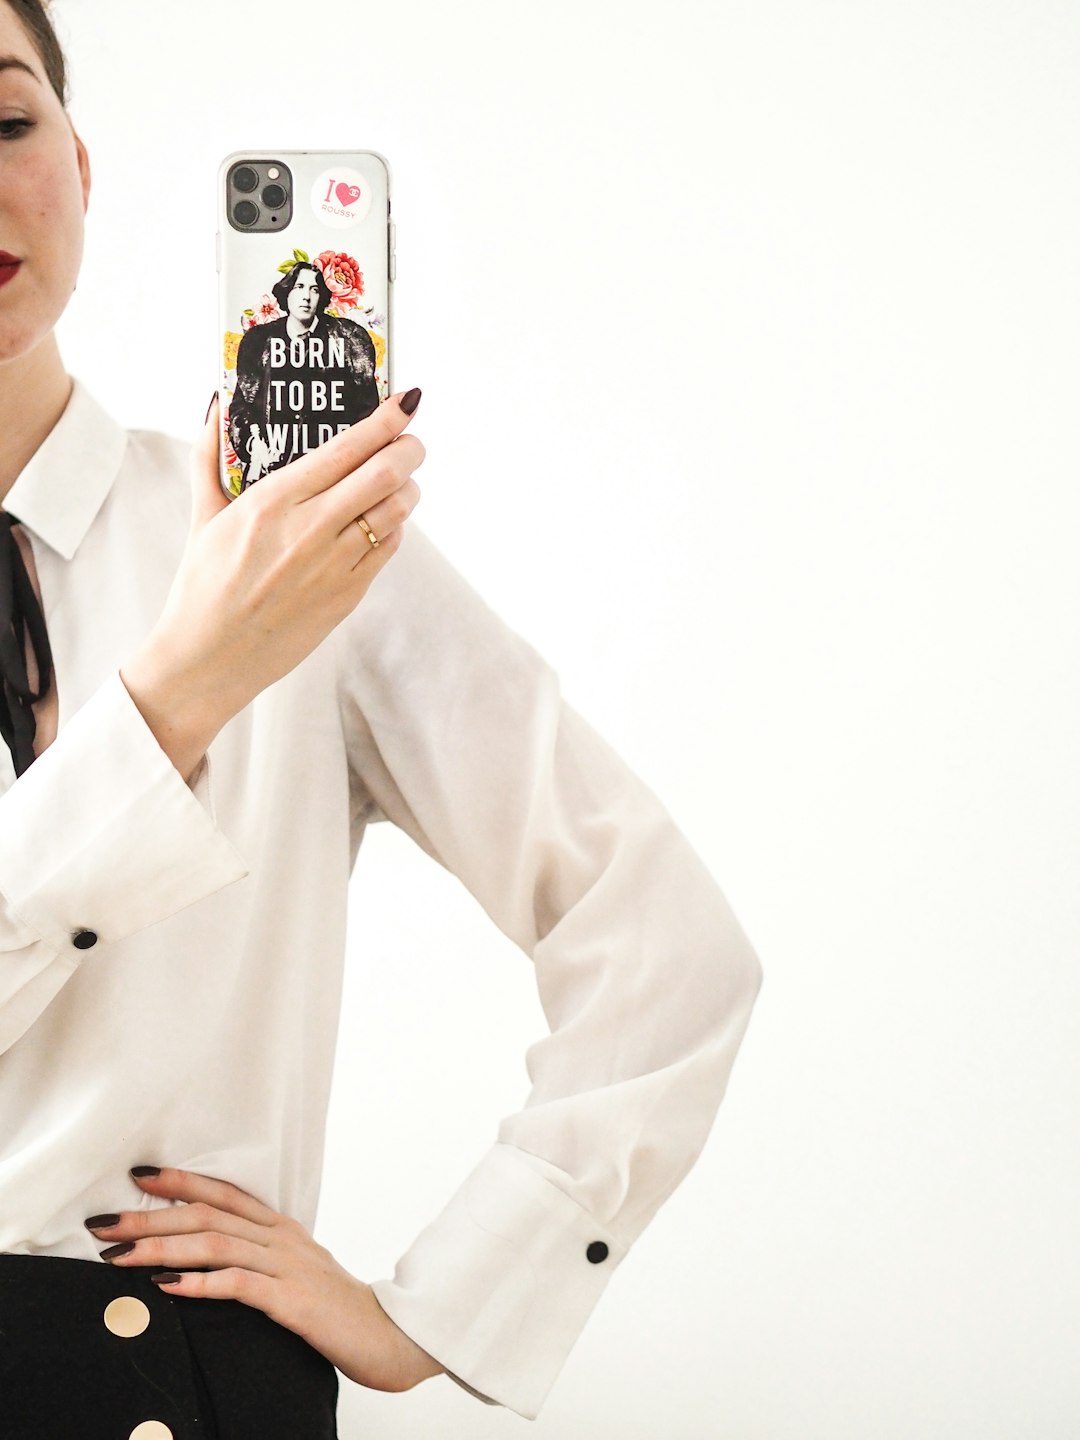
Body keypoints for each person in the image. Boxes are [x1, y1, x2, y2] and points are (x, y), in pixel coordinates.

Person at [0, 2, 764, 1436]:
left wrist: (435, 1310)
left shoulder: (295, 545)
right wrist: (177, 696)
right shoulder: (239, 602)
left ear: (82, 166)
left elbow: (665, 938)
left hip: (178, 1384)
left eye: (6, 122)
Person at [228, 261, 380, 491]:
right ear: (287, 292)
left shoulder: (349, 339)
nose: (306, 297)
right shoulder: (259, 341)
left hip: (333, 478)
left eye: (314, 289)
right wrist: (254, 444)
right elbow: (242, 407)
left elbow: (367, 412)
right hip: (271, 475)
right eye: (299, 287)